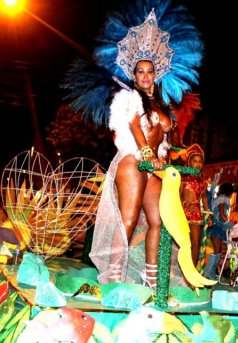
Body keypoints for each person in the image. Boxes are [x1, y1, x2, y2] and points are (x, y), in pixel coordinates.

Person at [71, 3, 203, 289]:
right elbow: (133, 127)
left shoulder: (162, 105)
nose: (144, 75)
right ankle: (114, 277)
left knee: (158, 221)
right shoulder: (128, 97)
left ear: (156, 75)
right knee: (128, 219)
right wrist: (146, 153)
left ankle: (151, 279)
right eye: (140, 71)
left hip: (154, 167)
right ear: (134, 75)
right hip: (133, 161)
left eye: (149, 71)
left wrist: (162, 157)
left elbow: (163, 138)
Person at [179, 144, 210, 266]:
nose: (198, 164)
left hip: (196, 213)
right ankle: (180, 268)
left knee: (196, 243)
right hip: (182, 212)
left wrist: (208, 214)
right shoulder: (183, 178)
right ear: (189, 162)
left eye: (200, 162)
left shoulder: (203, 181)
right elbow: (177, 196)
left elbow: (204, 197)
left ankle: (191, 270)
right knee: (183, 243)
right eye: (195, 161)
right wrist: (186, 206)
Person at [203, 182, 235, 280]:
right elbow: (221, 214)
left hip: (216, 227)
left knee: (218, 250)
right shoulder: (223, 199)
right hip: (217, 227)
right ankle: (209, 273)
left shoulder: (218, 199)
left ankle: (210, 272)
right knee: (217, 250)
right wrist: (230, 224)